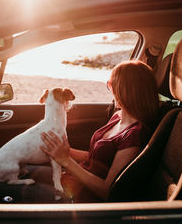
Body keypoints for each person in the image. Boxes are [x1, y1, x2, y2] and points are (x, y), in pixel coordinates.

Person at [40, 60, 159, 202]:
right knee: (18, 173)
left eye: (110, 84)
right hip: (71, 180)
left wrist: (66, 161)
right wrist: (63, 150)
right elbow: (96, 158)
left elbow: (108, 191)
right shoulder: (117, 117)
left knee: (10, 188)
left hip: (80, 196)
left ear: (124, 90)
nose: (109, 89)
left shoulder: (134, 135)